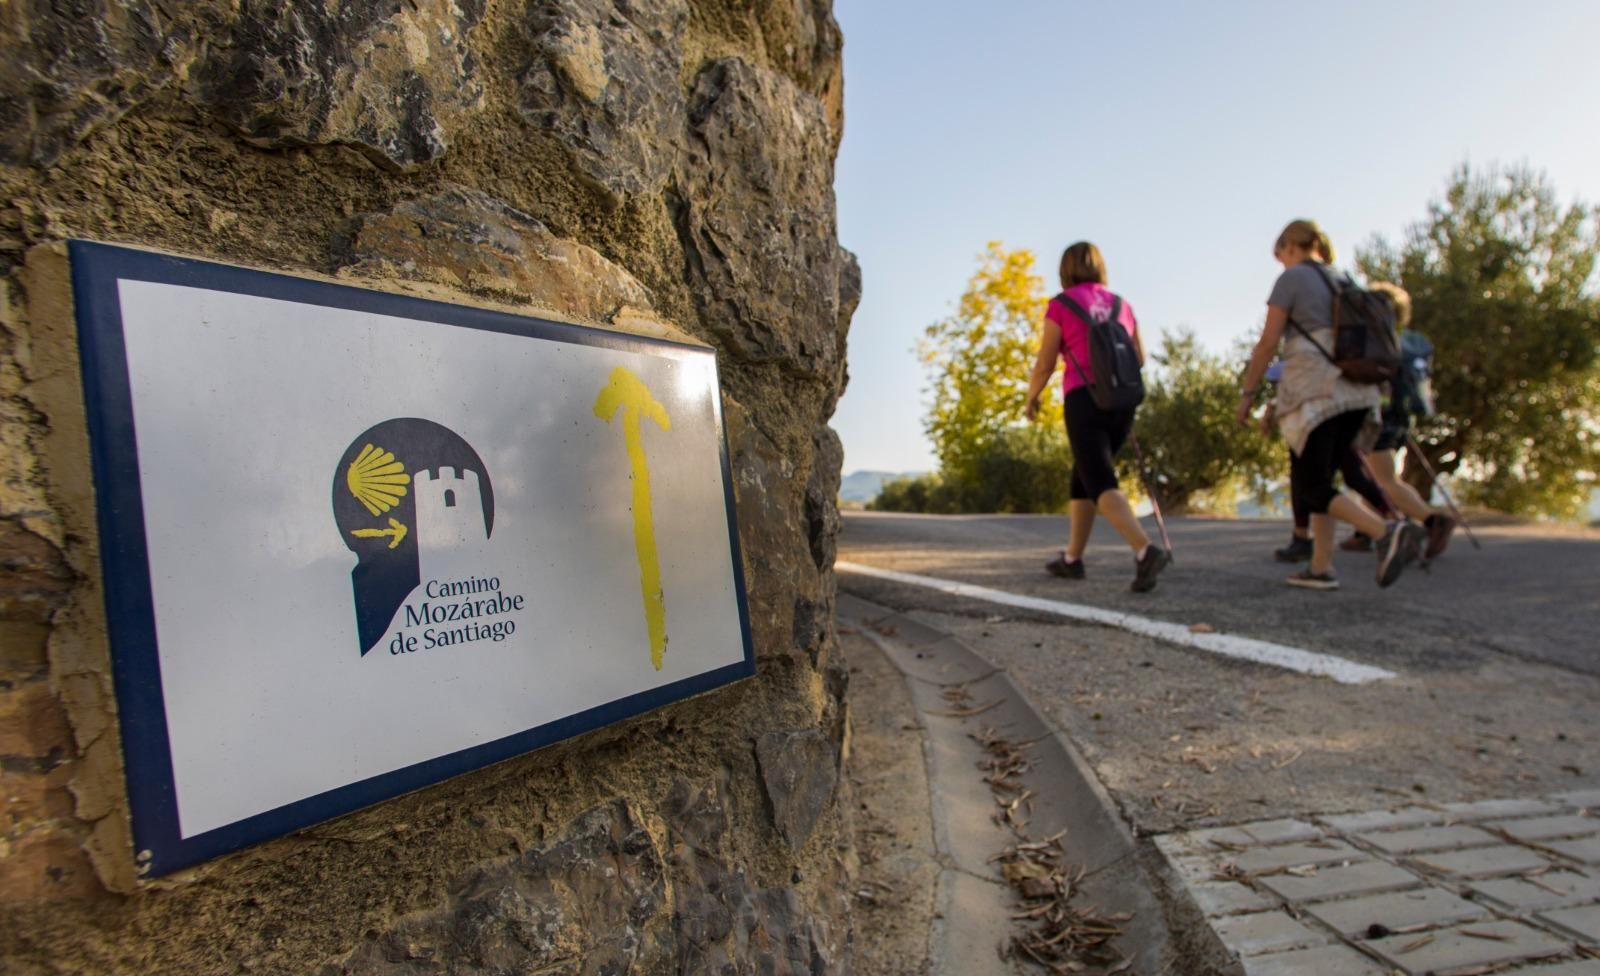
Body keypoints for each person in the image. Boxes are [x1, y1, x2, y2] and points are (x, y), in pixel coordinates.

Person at [1236, 220, 1424, 590]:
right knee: (1325, 478)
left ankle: (1386, 530)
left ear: (1290, 246)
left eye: (1281, 257)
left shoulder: (1292, 280)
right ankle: (1321, 567)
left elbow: (1269, 341)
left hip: (1320, 392)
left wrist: (1249, 393)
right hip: (1359, 392)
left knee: (1311, 486)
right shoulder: (1344, 279)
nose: (1282, 265)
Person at [1024, 241, 1170, 592]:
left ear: (1065, 270)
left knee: (1100, 479)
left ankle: (1144, 549)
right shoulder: (1122, 304)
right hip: (1123, 399)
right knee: (1084, 477)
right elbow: (1140, 356)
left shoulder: (1061, 305)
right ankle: (1072, 560)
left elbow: (1046, 362)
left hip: (1084, 397)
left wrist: (1031, 398)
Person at [1335, 282, 1457, 558]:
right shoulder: (1403, 339)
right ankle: (1368, 531)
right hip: (1400, 416)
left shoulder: (1380, 339)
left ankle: (1432, 521)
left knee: (1382, 479)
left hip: (1380, 416)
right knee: (1371, 475)